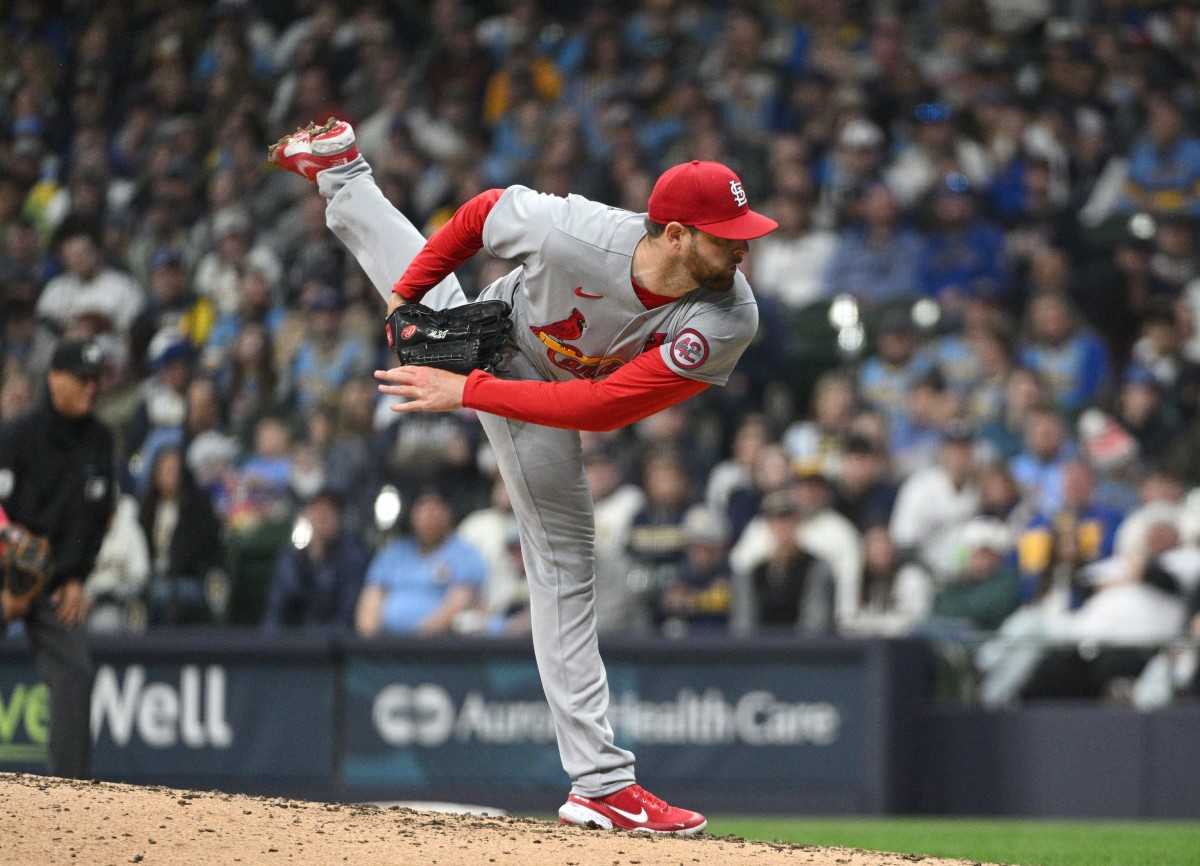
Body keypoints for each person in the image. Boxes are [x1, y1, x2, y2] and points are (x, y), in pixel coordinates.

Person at [269, 117, 778, 835]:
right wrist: (406, 301)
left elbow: (599, 411)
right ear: (673, 234)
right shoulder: (574, 230)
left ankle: (345, 174)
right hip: (505, 333)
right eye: (727, 234)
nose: (744, 245)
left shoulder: (730, 315)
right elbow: (480, 214)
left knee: (567, 557)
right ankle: (601, 785)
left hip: (544, 389)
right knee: (566, 564)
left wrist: (467, 390)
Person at [0, 337, 116, 778]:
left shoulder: (100, 440)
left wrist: (78, 578)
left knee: (77, 672)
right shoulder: (16, 435)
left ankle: (67, 797)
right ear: (54, 379)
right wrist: (9, 585)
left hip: (55, 582)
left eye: (96, 380)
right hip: (5, 568)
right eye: (82, 379)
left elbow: (95, 517)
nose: (92, 388)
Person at [354, 488, 486, 637]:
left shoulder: (465, 553)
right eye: (423, 507)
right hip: (386, 647)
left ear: (449, 514)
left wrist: (416, 643)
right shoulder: (393, 552)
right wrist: (369, 642)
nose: (429, 514)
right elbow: (371, 597)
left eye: (436, 507)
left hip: (437, 647)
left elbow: (459, 602)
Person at [261, 488, 368, 631]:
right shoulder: (292, 556)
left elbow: (347, 618)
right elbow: (276, 611)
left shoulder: (353, 556)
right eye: (318, 512)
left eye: (330, 513)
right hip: (289, 645)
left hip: (332, 646)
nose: (323, 519)